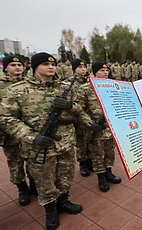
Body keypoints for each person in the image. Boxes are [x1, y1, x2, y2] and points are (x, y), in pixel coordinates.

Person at [0, 52, 90, 229]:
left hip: (65, 143)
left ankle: (63, 201)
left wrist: (71, 106)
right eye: (45, 64)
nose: (51, 67)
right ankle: (50, 210)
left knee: (65, 176)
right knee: (44, 181)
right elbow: (7, 119)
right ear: (34, 67)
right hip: (38, 146)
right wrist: (32, 137)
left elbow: (79, 109)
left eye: (53, 64)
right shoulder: (17, 90)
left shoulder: (65, 87)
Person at [78, 61, 121, 192]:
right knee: (97, 154)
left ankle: (108, 172)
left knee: (109, 151)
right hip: (96, 128)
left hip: (110, 127)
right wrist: (90, 124)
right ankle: (101, 177)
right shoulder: (86, 88)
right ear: (95, 72)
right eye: (102, 70)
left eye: (107, 70)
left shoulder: (113, 86)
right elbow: (80, 110)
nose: (105, 72)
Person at [0, 55, 37, 206]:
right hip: (10, 134)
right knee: (15, 163)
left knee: (33, 161)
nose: (17, 67)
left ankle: (35, 185)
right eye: (13, 65)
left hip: (30, 131)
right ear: (6, 68)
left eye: (19, 65)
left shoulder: (30, 83)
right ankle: (22, 189)